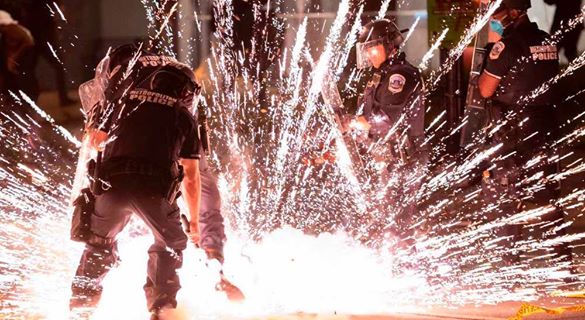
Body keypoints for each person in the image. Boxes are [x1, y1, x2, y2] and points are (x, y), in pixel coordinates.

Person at [69, 44, 202, 319]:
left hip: (111, 188)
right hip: (153, 193)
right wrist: (196, 223)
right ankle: (160, 309)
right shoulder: (185, 118)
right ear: (183, 90)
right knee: (170, 244)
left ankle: (81, 306)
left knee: (98, 244)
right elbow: (190, 176)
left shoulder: (121, 103)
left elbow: (95, 139)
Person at [478, 0, 572, 266]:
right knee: (547, 197)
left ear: (512, 13)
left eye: (497, 14)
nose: (493, 19)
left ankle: (510, 264)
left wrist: (489, 54)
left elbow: (485, 90)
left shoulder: (506, 46)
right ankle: (562, 263)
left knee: (507, 197)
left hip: (513, 133)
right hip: (543, 128)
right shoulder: (546, 40)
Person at [353, 19, 427, 245]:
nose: (368, 53)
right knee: (385, 220)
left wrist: (352, 122)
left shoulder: (400, 76)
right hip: (389, 156)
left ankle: (407, 270)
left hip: (405, 157)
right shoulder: (382, 74)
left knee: (399, 223)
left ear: (390, 46)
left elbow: (386, 122)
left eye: (372, 47)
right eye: (365, 48)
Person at [0, 10, 33, 94]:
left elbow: (29, 41)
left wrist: (14, 57)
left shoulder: (15, 32)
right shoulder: (6, 34)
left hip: (24, 52)